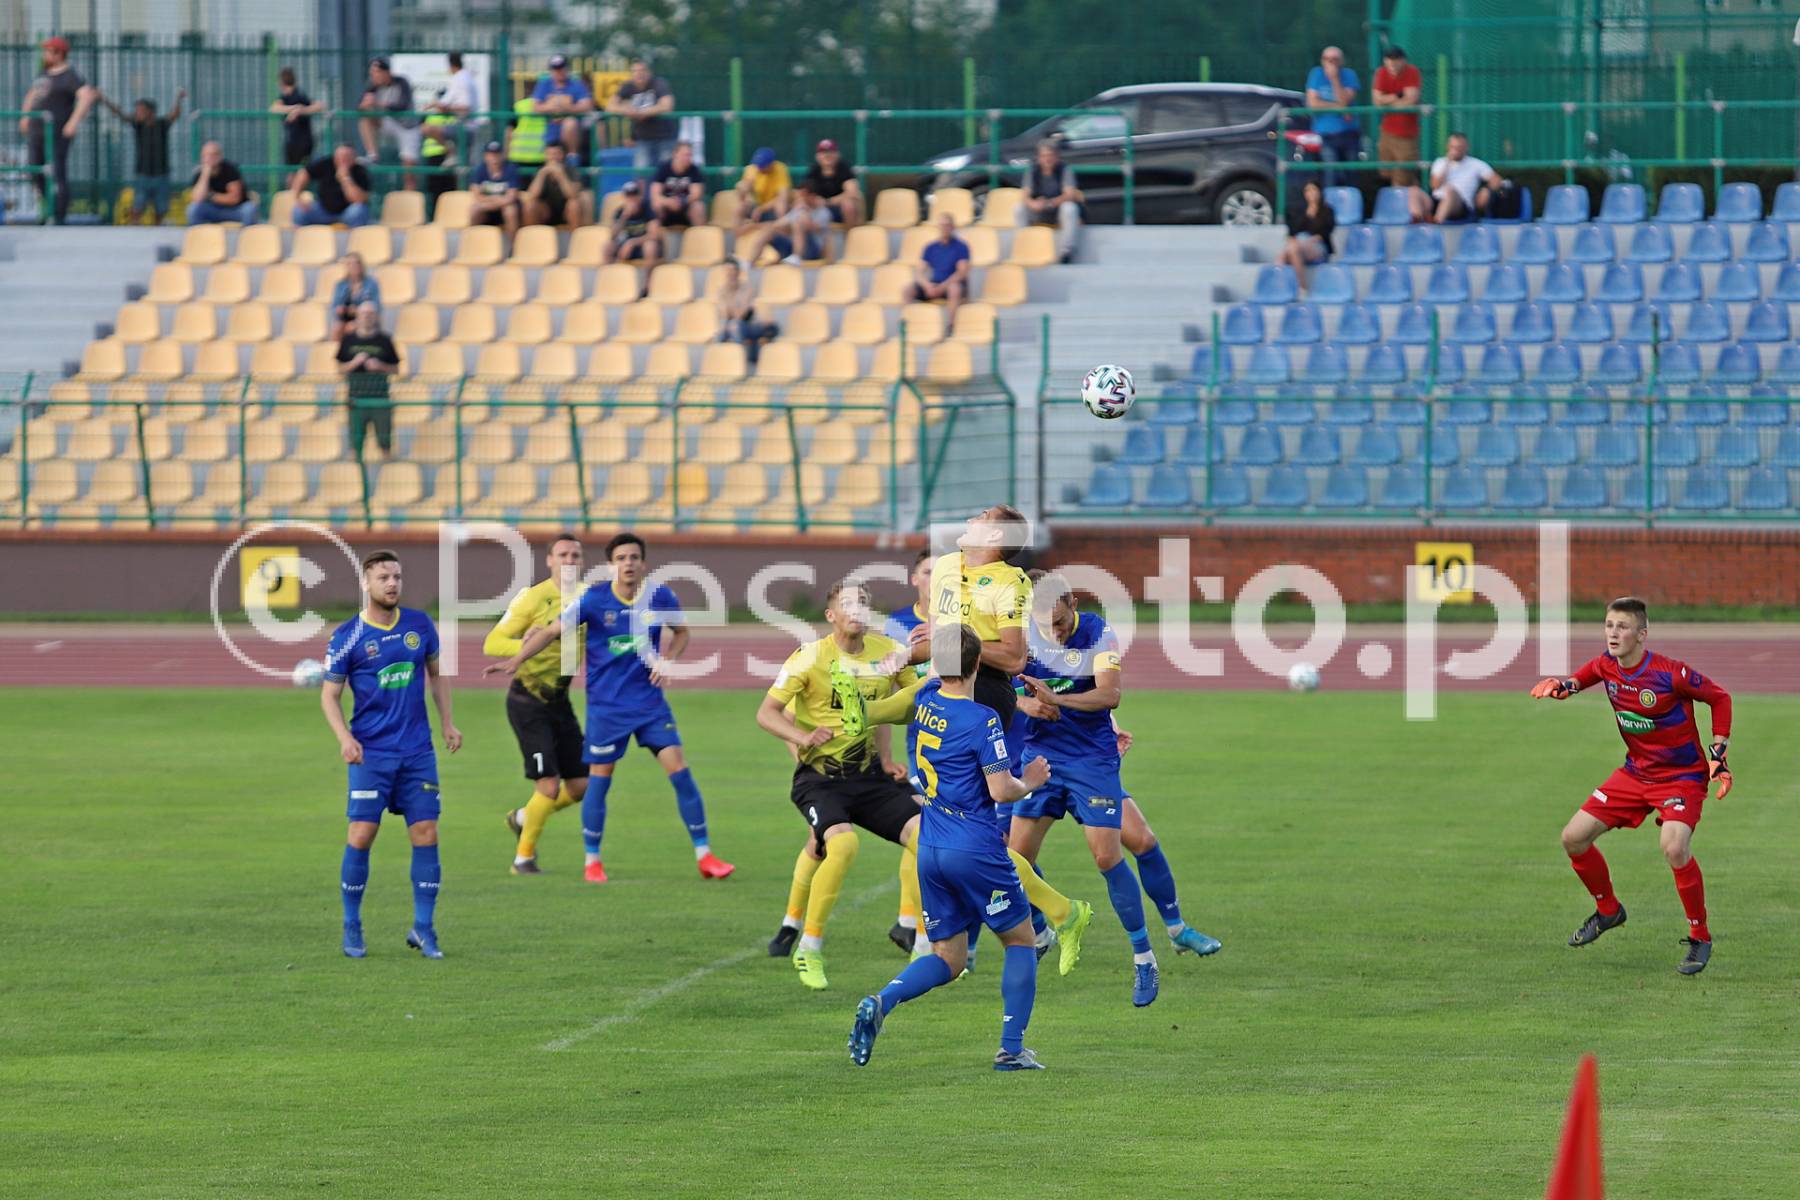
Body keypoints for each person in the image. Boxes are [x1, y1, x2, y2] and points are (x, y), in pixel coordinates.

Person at [847, 626, 1088, 1071]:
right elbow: (1001, 790)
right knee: (1021, 940)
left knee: (949, 958)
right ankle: (1011, 1050)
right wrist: (1031, 781)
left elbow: (894, 709)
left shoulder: (926, 699)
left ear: (936, 664)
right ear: (979, 663)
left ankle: (883, 1000)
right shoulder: (982, 720)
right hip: (975, 846)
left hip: (930, 846)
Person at [1007, 572, 1223, 1008]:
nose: (1054, 632)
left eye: (1060, 622)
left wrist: (1056, 699)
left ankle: (1146, 957)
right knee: (1015, 859)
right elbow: (993, 686)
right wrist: (1025, 702)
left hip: (1091, 761)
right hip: (1040, 759)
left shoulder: (1097, 633)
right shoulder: (1021, 636)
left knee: (1112, 854)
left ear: (1072, 603)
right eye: (1045, 625)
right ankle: (1044, 931)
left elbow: (1110, 695)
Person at [485, 532, 735, 884]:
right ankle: (591, 861)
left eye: (634, 557)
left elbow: (681, 633)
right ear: (610, 565)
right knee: (596, 782)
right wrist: (517, 658)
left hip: (649, 705)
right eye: (621, 558)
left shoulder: (660, 596)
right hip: (606, 709)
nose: (628, 563)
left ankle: (705, 856)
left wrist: (667, 660)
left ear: (643, 563)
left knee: (680, 772)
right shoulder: (593, 600)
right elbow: (551, 632)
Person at [1531, 597, 1733, 977]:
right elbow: (1578, 680)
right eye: (1609, 625)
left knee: (1674, 846)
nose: (1613, 633)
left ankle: (1700, 936)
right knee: (1573, 838)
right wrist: (1561, 686)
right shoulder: (1605, 665)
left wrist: (1718, 752)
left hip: (1681, 777)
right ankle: (1608, 910)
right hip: (1635, 774)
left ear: (1641, 634)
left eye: (1622, 627)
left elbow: (1719, 698)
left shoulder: (1670, 673)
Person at [756, 582, 922, 990]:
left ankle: (925, 946)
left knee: (930, 837)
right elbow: (767, 713)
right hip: (820, 780)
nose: (857, 608)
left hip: (870, 778)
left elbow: (908, 700)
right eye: (847, 603)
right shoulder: (810, 657)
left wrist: (888, 757)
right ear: (831, 615)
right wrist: (801, 738)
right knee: (841, 844)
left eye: (863, 602)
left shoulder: (889, 652)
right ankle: (808, 947)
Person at [320, 550, 462, 960]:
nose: (392, 583)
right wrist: (344, 738)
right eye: (383, 577)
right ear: (366, 583)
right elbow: (329, 695)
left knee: (426, 832)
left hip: (417, 751)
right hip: (372, 754)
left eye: (397, 576)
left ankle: (424, 928)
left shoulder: (419, 625)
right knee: (362, 834)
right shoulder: (348, 635)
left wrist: (448, 723)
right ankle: (352, 924)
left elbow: (437, 675)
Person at [490, 535, 591, 876]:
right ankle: (523, 859)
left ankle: (523, 817)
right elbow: (493, 642)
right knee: (547, 784)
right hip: (528, 701)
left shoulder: (589, 597)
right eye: (562, 554)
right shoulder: (532, 598)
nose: (569, 560)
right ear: (549, 560)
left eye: (575, 555)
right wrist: (524, 646)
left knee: (580, 786)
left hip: (560, 701)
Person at [18, 36, 98, 226]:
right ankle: (48, 207)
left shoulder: (70, 76)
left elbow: (86, 96)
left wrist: (73, 122)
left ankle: (59, 215)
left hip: (56, 132)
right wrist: (25, 116)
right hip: (36, 131)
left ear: (59, 54)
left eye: (48, 51)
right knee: (34, 170)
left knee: (56, 172)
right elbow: (32, 94)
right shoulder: (43, 73)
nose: (45, 55)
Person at [100, 88, 183, 224]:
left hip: (162, 174)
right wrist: (104, 100)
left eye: (141, 110)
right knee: (138, 206)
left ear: (150, 112)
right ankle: (135, 230)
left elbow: (174, 115)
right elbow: (120, 114)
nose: (137, 112)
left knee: (161, 209)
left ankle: (157, 230)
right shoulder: (138, 126)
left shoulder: (162, 124)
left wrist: (178, 99)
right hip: (142, 175)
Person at [337, 302, 400, 459]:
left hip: (380, 399)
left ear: (376, 317)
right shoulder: (348, 340)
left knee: (385, 446)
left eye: (371, 314)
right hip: (356, 399)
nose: (367, 317)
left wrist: (380, 366)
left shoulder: (385, 340)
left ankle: (388, 471)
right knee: (355, 447)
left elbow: (396, 369)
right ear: (357, 317)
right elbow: (340, 369)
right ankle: (356, 473)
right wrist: (354, 363)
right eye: (364, 314)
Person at [358, 58, 422, 190]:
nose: (373, 76)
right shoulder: (373, 86)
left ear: (386, 72)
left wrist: (377, 104)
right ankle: (373, 156)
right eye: (372, 73)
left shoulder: (401, 82)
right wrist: (364, 105)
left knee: (409, 171)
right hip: (389, 124)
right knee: (365, 119)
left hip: (408, 127)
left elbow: (401, 105)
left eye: (376, 73)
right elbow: (360, 108)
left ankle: (409, 197)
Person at [1414, 131, 1503, 224]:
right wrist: (1447, 163)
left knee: (1450, 191)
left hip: (1460, 204)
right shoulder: (1440, 162)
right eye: (1453, 147)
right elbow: (1434, 185)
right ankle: (1416, 219)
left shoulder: (1476, 164)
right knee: (1414, 190)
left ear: (1466, 147)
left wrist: (1486, 190)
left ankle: (1437, 221)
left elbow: (1496, 180)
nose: (1456, 150)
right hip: (1437, 200)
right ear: (1448, 147)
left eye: (1459, 147)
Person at [1304, 46, 1361, 189]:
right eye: (1327, 59)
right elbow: (1312, 103)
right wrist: (1338, 107)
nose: (1330, 63)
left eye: (1334, 59)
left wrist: (1335, 79)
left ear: (1341, 61)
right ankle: (1330, 201)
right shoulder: (1316, 74)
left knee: (1352, 173)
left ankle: (1352, 200)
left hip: (1349, 133)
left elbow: (1345, 101)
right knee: (1331, 172)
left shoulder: (1349, 75)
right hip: (1326, 134)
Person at [607, 58, 677, 172]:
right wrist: (626, 110)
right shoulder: (628, 86)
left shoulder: (659, 83)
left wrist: (643, 113)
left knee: (665, 172)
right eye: (635, 71)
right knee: (641, 173)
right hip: (643, 139)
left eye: (642, 70)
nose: (639, 74)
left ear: (649, 72)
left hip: (665, 137)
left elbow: (667, 105)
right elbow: (610, 106)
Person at [1020, 139, 1083, 263]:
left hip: (1057, 210)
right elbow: (1024, 195)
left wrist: (1051, 203)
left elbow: (1070, 194)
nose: (1047, 159)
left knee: (1070, 208)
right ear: (1038, 157)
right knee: (1019, 209)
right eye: (1043, 156)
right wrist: (1032, 203)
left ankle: (1066, 251)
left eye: (1050, 155)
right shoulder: (1032, 170)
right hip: (1038, 210)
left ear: (1057, 156)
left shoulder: (1065, 169)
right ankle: (1023, 245)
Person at [1372, 45, 1423, 188]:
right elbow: (1377, 101)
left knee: (1403, 176)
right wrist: (1399, 95)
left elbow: (1411, 99)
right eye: (1389, 60)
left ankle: (1406, 199)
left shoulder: (1412, 71)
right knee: (1385, 173)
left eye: (1396, 60)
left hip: (1407, 134)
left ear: (1403, 60)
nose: (1392, 64)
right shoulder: (1381, 72)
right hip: (1387, 131)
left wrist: (1387, 102)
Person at [906, 212, 972, 323]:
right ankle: (909, 324)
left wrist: (942, 287)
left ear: (953, 227)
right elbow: (919, 271)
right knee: (907, 290)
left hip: (951, 284)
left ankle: (951, 325)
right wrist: (927, 286)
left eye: (947, 225)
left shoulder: (961, 246)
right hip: (935, 285)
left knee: (954, 289)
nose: (944, 228)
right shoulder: (930, 247)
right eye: (942, 225)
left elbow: (961, 272)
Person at [533, 55, 596, 162]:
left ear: (567, 69)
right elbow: (535, 107)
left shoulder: (576, 85)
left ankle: (572, 156)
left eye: (561, 69)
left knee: (570, 123)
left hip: (574, 133)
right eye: (556, 69)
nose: (559, 72)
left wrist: (568, 108)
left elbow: (587, 105)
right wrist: (551, 107)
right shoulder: (544, 85)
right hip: (550, 131)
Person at [291, 144, 373, 227]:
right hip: (322, 210)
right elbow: (304, 173)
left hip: (347, 213)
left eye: (348, 156)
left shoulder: (360, 171)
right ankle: (300, 234)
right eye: (341, 156)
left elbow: (359, 199)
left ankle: (355, 234)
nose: (344, 159)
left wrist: (345, 179)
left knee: (360, 210)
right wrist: (298, 198)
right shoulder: (326, 163)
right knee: (299, 210)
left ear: (354, 158)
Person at [751, 181, 832, 265]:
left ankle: (797, 257)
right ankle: (750, 262)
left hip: (813, 250)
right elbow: (779, 223)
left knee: (798, 223)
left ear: (812, 196)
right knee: (769, 229)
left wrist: (805, 212)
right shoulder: (798, 209)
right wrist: (757, 226)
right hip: (792, 245)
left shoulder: (823, 212)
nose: (800, 198)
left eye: (802, 195)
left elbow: (814, 228)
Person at [1277, 179, 1336, 292]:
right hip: (1300, 247)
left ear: (1319, 192)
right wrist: (1292, 238)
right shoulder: (1301, 211)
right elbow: (1293, 231)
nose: (1311, 193)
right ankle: (1300, 289)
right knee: (1292, 250)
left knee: (1288, 251)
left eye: (1314, 189)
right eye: (1308, 190)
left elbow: (1327, 231)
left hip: (1319, 247)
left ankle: (1286, 287)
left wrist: (1314, 238)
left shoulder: (1327, 210)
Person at [716, 258, 776, 365]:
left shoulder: (747, 288)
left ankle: (738, 361)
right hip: (736, 326)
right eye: (727, 271)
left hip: (754, 326)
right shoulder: (722, 290)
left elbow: (740, 314)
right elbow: (724, 314)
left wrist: (729, 295)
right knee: (723, 331)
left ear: (738, 271)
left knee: (734, 325)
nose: (730, 274)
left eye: (732, 270)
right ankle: (721, 362)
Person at [423, 52, 480, 164]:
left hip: (466, 128)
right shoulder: (461, 78)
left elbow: (465, 107)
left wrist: (446, 108)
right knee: (462, 168)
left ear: (450, 65)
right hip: (462, 126)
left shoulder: (462, 79)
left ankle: (452, 153)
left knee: (427, 129)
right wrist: (438, 105)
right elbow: (447, 101)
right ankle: (453, 155)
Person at [185, 140, 258, 225]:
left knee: (249, 209)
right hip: (212, 210)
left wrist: (211, 196)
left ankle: (248, 233)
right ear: (202, 157)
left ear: (220, 156)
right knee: (193, 209)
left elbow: (234, 199)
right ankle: (201, 233)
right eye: (207, 155)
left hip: (235, 210)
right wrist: (205, 174)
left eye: (214, 154)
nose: (210, 158)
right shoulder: (199, 173)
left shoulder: (230, 169)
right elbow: (197, 199)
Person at [523, 141, 591, 229]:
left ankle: (575, 235)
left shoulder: (571, 171)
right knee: (530, 205)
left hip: (566, 212)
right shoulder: (540, 171)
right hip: (546, 212)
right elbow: (532, 196)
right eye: (549, 154)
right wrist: (541, 175)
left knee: (574, 204)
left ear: (563, 155)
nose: (553, 157)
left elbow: (573, 195)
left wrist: (561, 176)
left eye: (556, 154)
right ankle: (532, 235)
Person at [598, 180, 662, 267]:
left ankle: (649, 275)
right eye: (629, 196)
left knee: (650, 246)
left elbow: (654, 235)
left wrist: (632, 242)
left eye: (634, 195)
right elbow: (613, 236)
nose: (632, 199)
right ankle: (608, 273)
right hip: (626, 244)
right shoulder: (620, 212)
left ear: (639, 196)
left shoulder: (648, 210)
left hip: (641, 244)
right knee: (608, 247)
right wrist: (624, 217)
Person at [270, 67, 323, 168]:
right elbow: (274, 108)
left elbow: (319, 106)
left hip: (300, 142)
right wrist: (293, 109)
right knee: (296, 170)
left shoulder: (297, 96)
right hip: (298, 140)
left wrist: (300, 111)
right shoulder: (290, 97)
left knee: (296, 171)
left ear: (281, 83)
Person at [803, 138, 862, 227]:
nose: (827, 155)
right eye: (823, 153)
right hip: (818, 208)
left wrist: (829, 201)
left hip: (838, 209)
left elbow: (851, 192)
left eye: (831, 152)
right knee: (801, 205)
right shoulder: (814, 170)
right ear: (817, 156)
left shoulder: (844, 168)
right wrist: (815, 200)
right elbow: (804, 192)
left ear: (838, 154)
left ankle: (851, 234)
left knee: (849, 205)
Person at [733, 147, 791, 237]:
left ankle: (783, 235)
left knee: (781, 205)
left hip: (771, 208)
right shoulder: (751, 169)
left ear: (771, 164)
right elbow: (743, 197)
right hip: (756, 206)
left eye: (763, 166)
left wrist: (762, 209)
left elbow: (783, 197)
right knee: (739, 207)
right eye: (758, 165)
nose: (759, 168)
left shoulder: (780, 169)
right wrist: (742, 189)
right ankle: (737, 237)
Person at [468, 140, 522, 236]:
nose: (494, 158)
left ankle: (514, 243)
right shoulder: (480, 170)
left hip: (503, 207)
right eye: (491, 154)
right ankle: (473, 240)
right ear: (485, 156)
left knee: (510, 211)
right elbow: (477, 195)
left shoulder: (510, 169)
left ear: (502, 155)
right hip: (489, 206)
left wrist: (491, 202)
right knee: (474, 210)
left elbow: (511, 197)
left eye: (497, 154)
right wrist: (495, 200)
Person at [649, 139, 706, 229]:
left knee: (698, 206)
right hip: (667, 209)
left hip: (686, 209)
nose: (688, 158)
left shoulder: (694, 170)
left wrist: (682, 201)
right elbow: (655, 194)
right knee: (656, 205)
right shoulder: (664, 168)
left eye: (690, 155)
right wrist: (669, 202)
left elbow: (696, 194)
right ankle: (655, 235)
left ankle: (699, 235)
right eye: (685, 155)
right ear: (675, 154)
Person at [330, 252, 381, 341]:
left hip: (365, 318)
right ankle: (339, 349)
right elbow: (335, 306)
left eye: (357, 263)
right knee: (337, 328)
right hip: (345, 318)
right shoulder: (341, 285)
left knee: (351, 327)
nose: (354, 266)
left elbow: (376, 306)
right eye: (350, 264)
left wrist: (358, 311)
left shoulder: (371, 284)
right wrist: (342, 309)